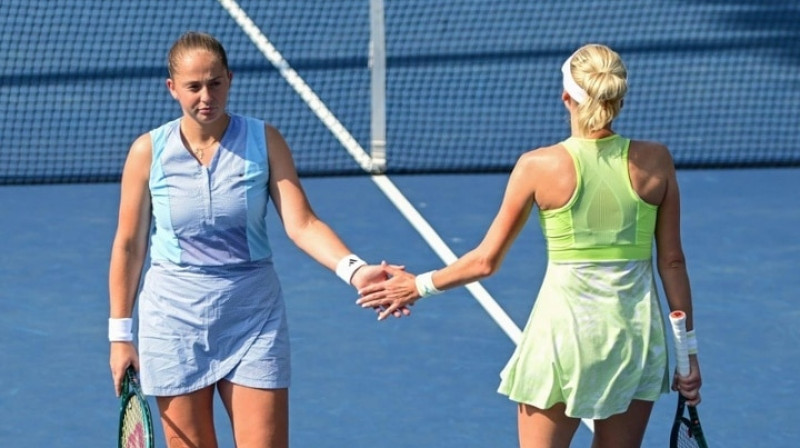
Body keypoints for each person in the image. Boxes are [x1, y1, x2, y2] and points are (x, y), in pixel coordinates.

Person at [357, 43, 702, 448]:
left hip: (563, 341)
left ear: (566, 97)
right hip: (634, 340)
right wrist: (687, 355)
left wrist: (418, 285)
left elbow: (485, 262)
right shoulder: (657, 161)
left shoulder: (538, 166)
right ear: (618, 99)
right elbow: (673, 263)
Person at [108, 31, 406, 448]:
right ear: (172, 88)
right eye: (193, 87)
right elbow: (129, 245)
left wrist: (355, 271)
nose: (205, 96)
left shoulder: (263, 141)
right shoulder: (148, 153)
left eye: (215, 83)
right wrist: (120, 335)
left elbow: (302, 223)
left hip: (252, 317)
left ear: (229, 79)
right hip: (174, 322)